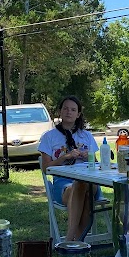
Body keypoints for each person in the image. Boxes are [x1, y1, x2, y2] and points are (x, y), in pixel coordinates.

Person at [39, 96, 100, 241]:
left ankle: (69, 240)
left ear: (78, 114)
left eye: (73, 110)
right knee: (80, 189)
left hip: (90, 182)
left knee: (82, 183)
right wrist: (64, 158)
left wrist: (88, 157)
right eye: (65, 108)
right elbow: (45, 168)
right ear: (60, 111)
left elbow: (96, 164)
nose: (69, 112)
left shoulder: (86, 135)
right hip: (63, 184)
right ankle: (78, 242)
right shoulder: (49, 137)